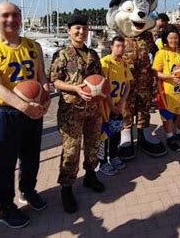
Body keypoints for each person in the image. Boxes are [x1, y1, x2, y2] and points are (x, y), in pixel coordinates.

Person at [0, 1, 50, 228]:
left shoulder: (33, 46)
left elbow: (42, 78)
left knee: (31, 157)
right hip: (4, 112)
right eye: (5, 15)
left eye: (16, 15)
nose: (11, 20)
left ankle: (28, 190)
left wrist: (45, 98)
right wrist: (23, 106)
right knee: (2, 164)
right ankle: (4, 207)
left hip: (31, 111)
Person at [49, 14, 105, 214]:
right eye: (77, 29)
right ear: (69, 31)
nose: (81, 32)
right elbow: (55, 81)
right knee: (71, 150)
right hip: (71, 110)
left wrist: (101, 92)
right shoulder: (61, 55)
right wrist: (75, 88)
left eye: (84, 28)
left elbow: (100, 78)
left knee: (93, 145)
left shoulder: (93, 55)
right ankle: (66, 187)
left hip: (93, 109)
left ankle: (90, 175)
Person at [153, 25, 180, 152]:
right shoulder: (161, 53)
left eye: (175, 38)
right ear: (165, 39)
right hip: (166, 91)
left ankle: (179, 133)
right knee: (168, 116)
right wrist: (170, 76)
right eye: (171, 38)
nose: (173, 40)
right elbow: (155, 73)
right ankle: (170, 137)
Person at [98, 36, 133, 176]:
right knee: (104, 135)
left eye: (122, 46)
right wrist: (112, 106)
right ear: (111, 46)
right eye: (117, 46)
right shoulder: (105, 63)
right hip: (106, 106)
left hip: (119, 105)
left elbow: (128, 85)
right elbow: (103, 88)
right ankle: (102, 162)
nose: (120, 49)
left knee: (116, 132)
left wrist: (122, 102)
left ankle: (113, 156)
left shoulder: (123, 64)